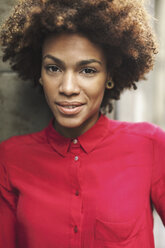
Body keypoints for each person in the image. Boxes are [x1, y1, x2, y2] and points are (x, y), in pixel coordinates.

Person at [0, 0, 164, 247]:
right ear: (39, 73)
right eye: (54, 68)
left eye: (87, 71)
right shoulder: (11, 159)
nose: (67, 88)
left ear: (109, 75)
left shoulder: (150, 146)